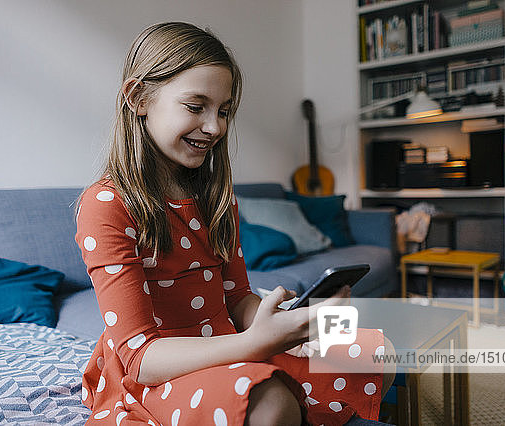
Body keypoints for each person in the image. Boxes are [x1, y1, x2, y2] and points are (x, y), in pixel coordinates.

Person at [76, 22, 393, 426]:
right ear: (138, 98)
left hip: (230, 342)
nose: (215, 127)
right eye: (196, 107)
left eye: (223, 111)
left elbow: (238, 299)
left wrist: (288, 324)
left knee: (374, 352)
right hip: (157, 373)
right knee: (271, 402)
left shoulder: (216, 200)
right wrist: (252, 344)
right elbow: (140, 358)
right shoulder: (106, 204)